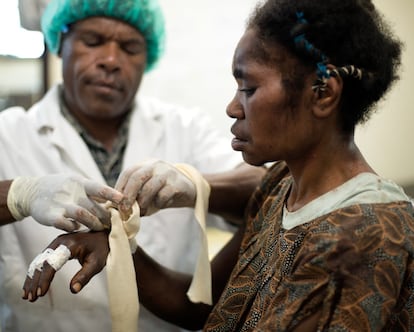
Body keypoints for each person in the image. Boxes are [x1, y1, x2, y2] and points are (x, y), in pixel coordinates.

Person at [23, 0, 414, 331]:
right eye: (93, 41)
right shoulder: (281, 187)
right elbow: (206, 305)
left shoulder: (366, 232)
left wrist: (197, 185)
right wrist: (118, 247)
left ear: (323, 94)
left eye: (248, 88)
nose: (232, 107)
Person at [0, 0, 265, 331]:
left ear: (147, 57)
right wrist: (19, 194)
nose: (111, 60)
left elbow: (268, 188)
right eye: (93, 41)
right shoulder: (8, 136)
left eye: (130, 47)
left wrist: (195, 185)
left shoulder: (183, 129)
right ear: (59, 43)